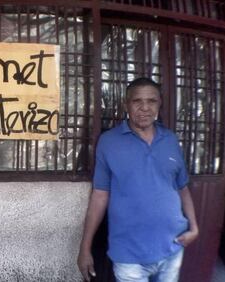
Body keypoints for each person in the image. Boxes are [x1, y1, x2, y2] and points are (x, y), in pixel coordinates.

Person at [77, 77, 199, 282]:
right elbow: (99, 195)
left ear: (159, 104)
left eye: (151, 101)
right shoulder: (109, 142)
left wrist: (194, 228)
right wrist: (84, 248)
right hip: (129, 255)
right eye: (137, 101)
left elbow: (182, 187)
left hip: (172, 247)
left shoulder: (169, 139)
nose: (145, 108)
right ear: (126, 105)